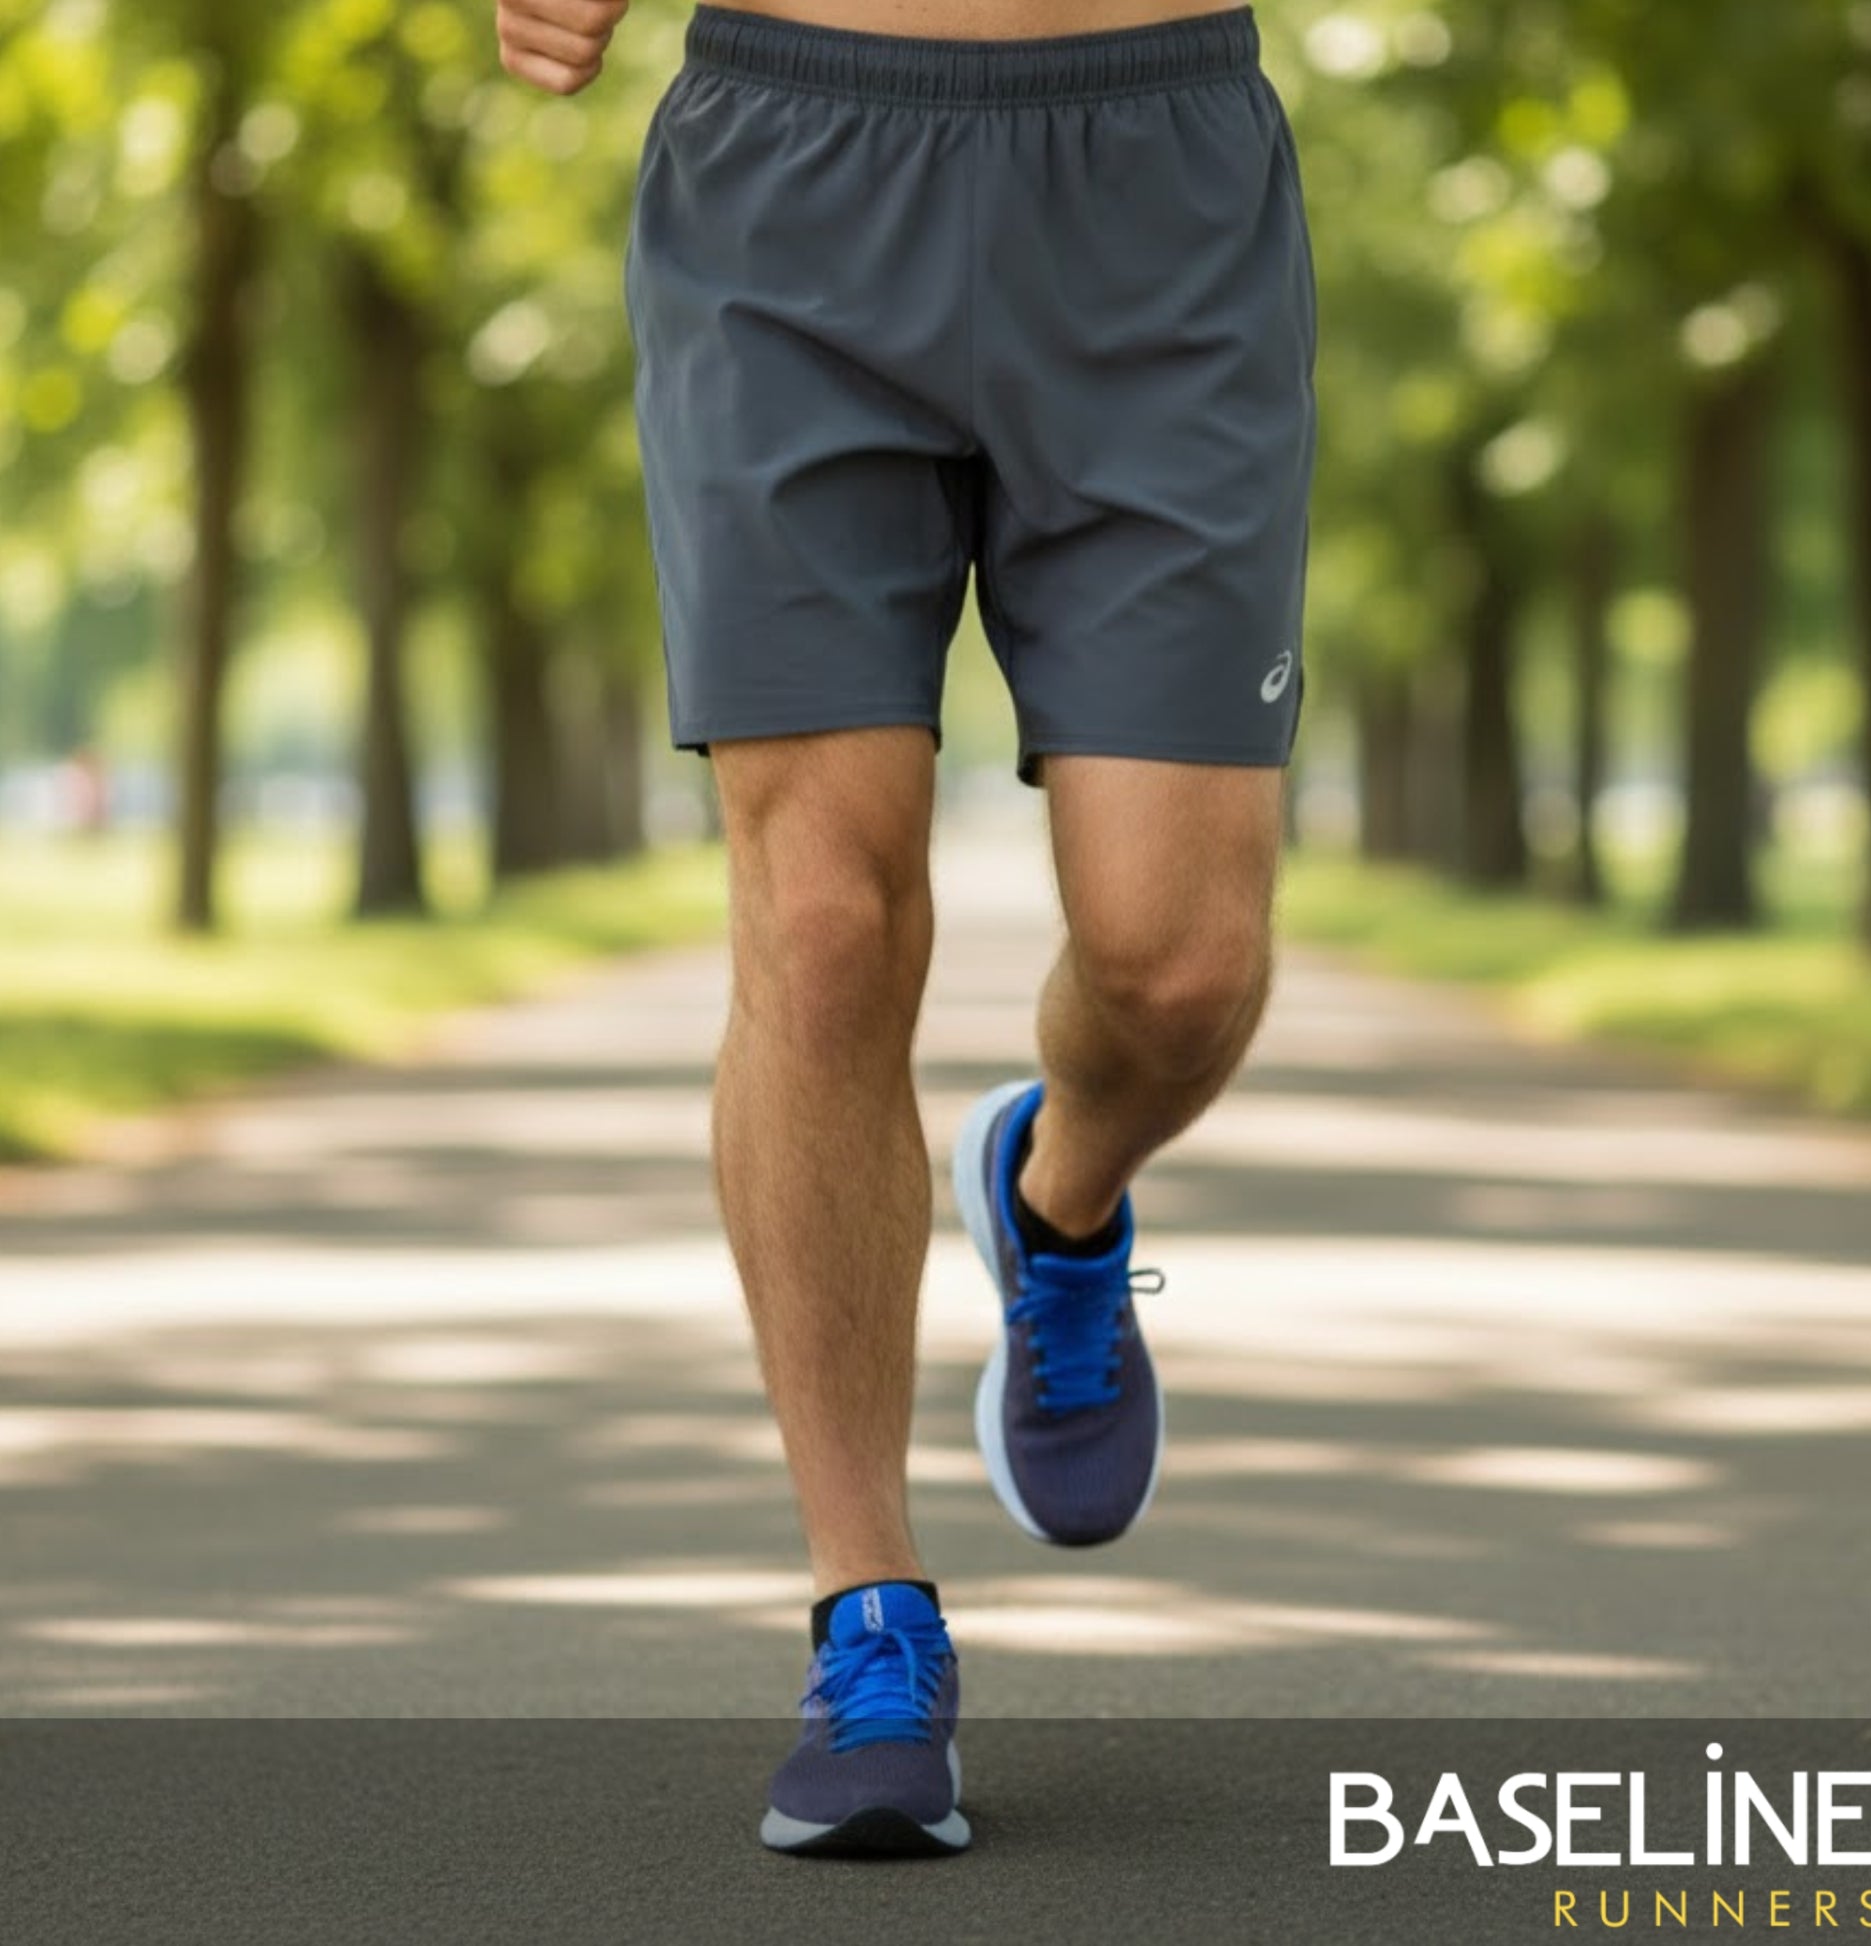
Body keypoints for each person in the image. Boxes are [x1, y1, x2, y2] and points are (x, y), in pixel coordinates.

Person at [497, 0, 1316, 1857]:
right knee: (823, 919)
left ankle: (1063, 1191)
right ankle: (868, 1617)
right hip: (793, 169)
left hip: (1153, 178)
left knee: (1174, 958)